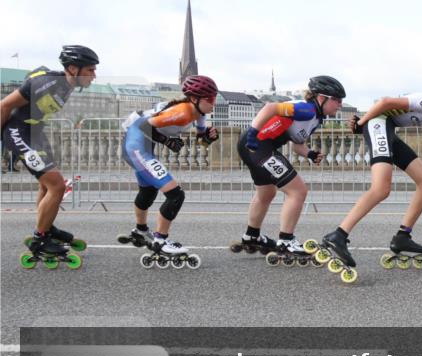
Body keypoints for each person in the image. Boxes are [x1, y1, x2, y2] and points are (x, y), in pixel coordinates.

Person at [320, 74, 422, 270]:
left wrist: (363, 123)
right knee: (381, 189)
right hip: (379, 124)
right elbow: (385, 102)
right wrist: (363, 123)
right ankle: (338, 235)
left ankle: (403, 237)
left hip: (388, 128)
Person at [1, 45, 99, 259]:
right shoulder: (46, 83)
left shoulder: (69, 85)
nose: (94, 75)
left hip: (33, 132)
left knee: (48, 185)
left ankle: (46, 226)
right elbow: (4, 106)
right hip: (18, 131)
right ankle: (40, 238)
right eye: (90, 70)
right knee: (57, 185)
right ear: (73, 68)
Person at [233, 75, 344, 260]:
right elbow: (270, 107)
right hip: (258, 146)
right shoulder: (305, 109)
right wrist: (253, 132)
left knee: (266, 193)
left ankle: (251, 235)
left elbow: (296, 144)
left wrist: (310, 154)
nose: (340, 104)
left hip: (257, 147)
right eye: (337, 100)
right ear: (321, 98)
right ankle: (286, 241)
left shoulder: (315, 118)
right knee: (298, 191)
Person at [118, 75, 219, 265]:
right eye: (210, 99)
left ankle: (140, 230)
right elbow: (144, 125)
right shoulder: (183, 112)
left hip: (143, 145)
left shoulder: (199, 114)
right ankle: (161, 240)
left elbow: (201, 140)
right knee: (175, 194)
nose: (214, 103)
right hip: (136, 145)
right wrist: (166, 140)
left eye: (215, 98)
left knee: (148, 191)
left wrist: (208, 137)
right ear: (195, 99)